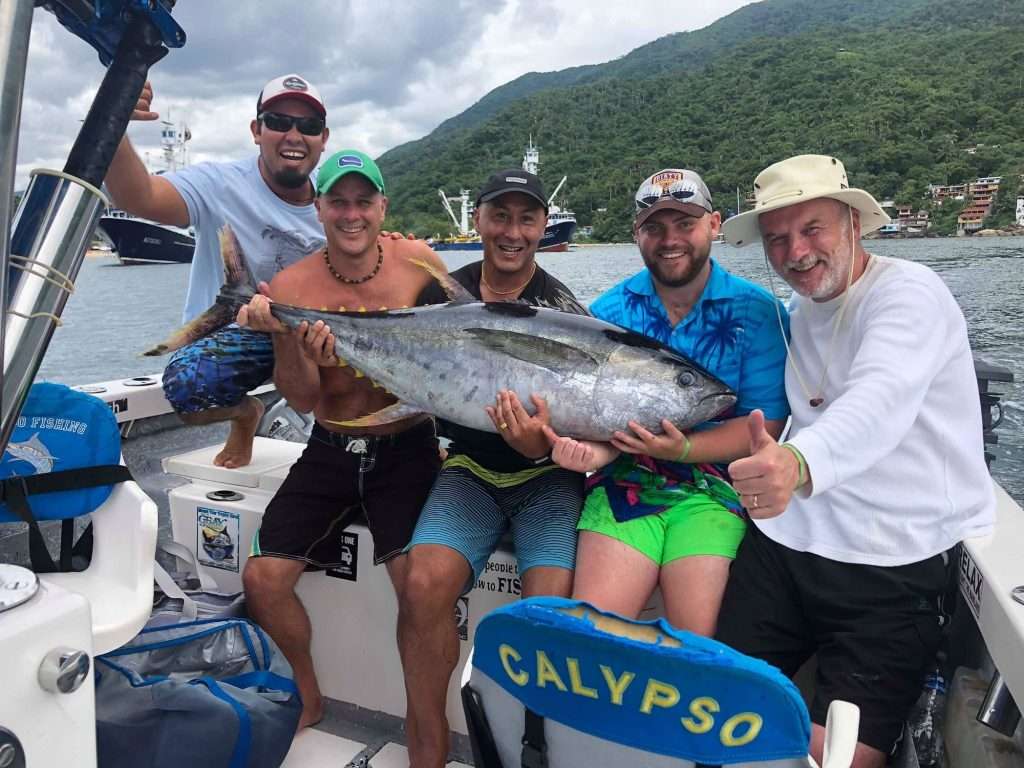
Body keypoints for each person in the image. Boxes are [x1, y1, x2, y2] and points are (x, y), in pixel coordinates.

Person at [714, 154, 996, 768]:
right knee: (716, 714)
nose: (796, 252)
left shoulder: (910, 294)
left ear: (853, 223)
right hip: (788, 546)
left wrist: (795, 463)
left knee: (840, 759)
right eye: (777, 239)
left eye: (812, 228)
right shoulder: (795, 316)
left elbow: (879, 401)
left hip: (892, 560)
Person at [236, 149, 447, 729]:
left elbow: (463, 338)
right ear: (318, 207)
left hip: (408, 446)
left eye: (363, 201)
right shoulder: (292, 284)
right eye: (338, 202)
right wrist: (287, 340)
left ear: (383, 206)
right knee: (261, 579)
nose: (351, 214)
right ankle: (308, 693)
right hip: (329, 447)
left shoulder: (421, 263)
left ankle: (422, 726)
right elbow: (302, 400)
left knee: (418, 588)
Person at [543, 168, 789, 636]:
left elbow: (766, 426)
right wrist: (587, 452)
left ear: (715, 224)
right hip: (624, 486)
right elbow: (601, 425)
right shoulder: (610, 314)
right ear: (637, 234)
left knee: (699, 640)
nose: (669, 239)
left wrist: (683, 451)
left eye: (685, 224)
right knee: (591, 634)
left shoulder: (757, 313)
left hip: (717, 493)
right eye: (654, 227)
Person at [399, 168, 588, 768]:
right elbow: (417, 382)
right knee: (423, 585)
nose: (512, 231)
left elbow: (581, 424)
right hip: (469, 472)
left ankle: (532, 749)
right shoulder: (439, 297)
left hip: (547, 482)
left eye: (526, 218)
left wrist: (542, 446)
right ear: (477, 219)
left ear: (541, 226)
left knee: (546, 616)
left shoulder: (562, 309)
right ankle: (427, 740)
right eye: (500, 216)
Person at [105, 74, 330, 468]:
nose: (294, 134)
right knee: (188, 388)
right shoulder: (220, 184)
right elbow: (137, 196)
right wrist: (115, 119)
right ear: (256, 130)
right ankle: (247, 415)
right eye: (278, 121)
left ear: (323, 138)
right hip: (230, 332)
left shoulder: (334, 203)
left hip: (307, 329)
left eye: (308, 126)